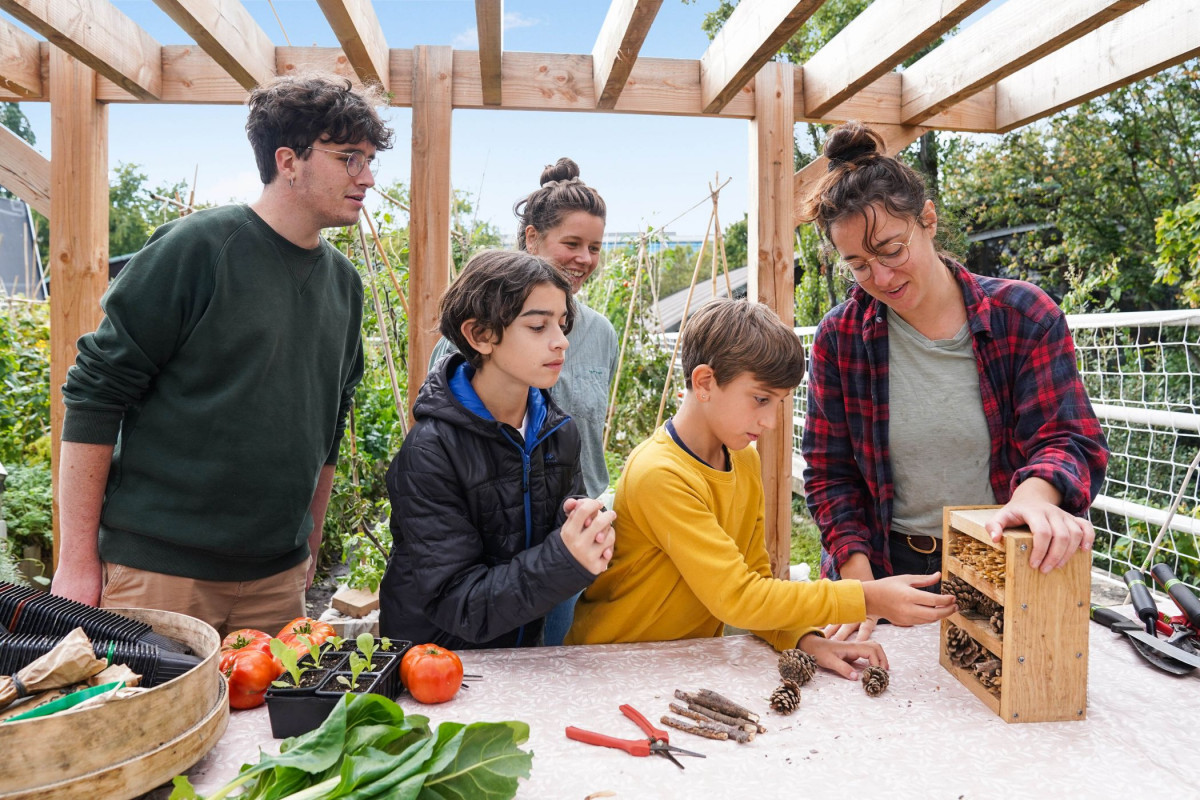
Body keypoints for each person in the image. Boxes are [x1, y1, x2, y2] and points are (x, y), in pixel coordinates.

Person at [51, 75, 394, 637]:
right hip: (159, 574)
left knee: (271, 727)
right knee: (153, 725)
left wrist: (307, 544)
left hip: (276, 582)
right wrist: (75, 560)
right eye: (350, 157)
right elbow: (95, 393)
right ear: (289, 160)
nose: (368, 177)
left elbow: (330, 422)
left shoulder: (345, 285)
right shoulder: (198, 248)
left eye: (370, 159)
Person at [800, 121, 1109, 643]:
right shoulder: (840, 337)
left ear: (928, 219)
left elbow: (1068, 439)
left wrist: (1034, 499)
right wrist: (860, 587)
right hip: (887, 569)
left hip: (1004, 559)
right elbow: (831, 473)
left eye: (891, 249)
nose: (880, 278)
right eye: (857, 264)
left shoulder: (1025, 316)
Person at [566, 299, 957, 679]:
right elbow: (737, 598)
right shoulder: (660, 473)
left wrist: (805, 639)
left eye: (780, 403)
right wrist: (867, 596)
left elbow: (757, 582)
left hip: (679, 664)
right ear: (704, 382)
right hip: (610, 666)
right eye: (761, 399)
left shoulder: (743, 459)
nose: (770, 421)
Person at [378, 250, 617, 649]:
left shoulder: (560, 434)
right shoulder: (430, 452)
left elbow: (566, 547)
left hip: (521, 657)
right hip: (437, 665)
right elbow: (460, 603)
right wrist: (565, 557)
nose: (561, 342)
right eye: (538, 326)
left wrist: (589, 537)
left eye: (561, 324)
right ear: (480, 335)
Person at [429, 157, 618, 645]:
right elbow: (440, 438)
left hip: (577, 532)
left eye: (595, 247)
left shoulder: (600, 334)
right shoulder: (474, 334)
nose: (586, 258)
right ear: (532, 239)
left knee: (555, 662)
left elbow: (590, 439)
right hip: (493, 540)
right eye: (572, 244)